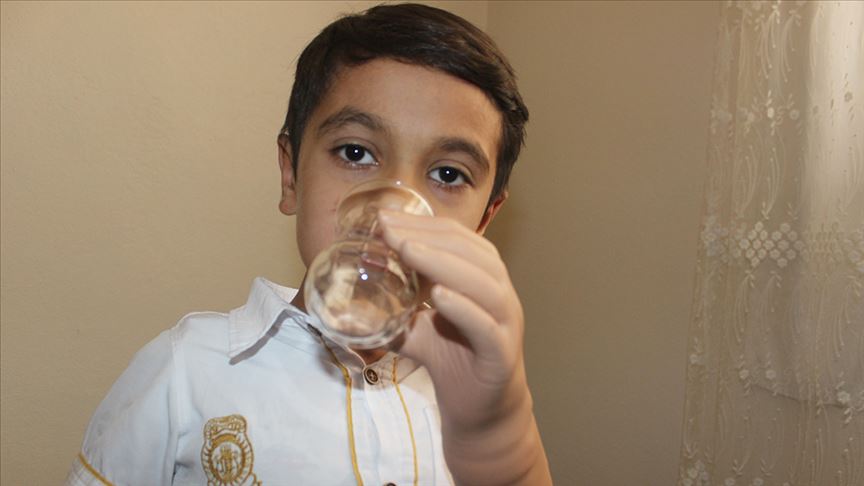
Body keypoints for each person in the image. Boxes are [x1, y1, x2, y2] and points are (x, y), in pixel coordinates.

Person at [66, 4, 551, 485]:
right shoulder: (187, 369)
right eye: (356, 152)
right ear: (291, 174)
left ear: (483, 221)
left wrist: (502, 444)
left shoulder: (471, 401)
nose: (393, 207)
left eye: (448, 174)